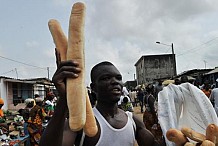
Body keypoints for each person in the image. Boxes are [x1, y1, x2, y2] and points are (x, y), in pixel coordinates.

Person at [39, 56, 159, 146]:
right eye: (106, 78)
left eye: (118, 78)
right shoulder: (81, 124)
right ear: (93, 88)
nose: (115, 82)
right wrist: (64, 98)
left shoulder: (133, 121)